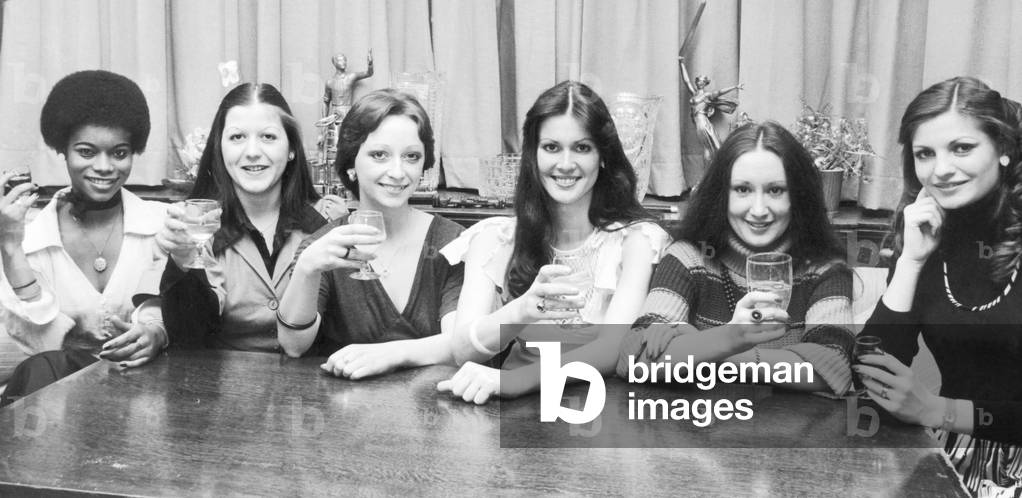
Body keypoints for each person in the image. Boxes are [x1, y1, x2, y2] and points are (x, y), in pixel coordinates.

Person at [436, 81, 670, 404]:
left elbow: (611, 348)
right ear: (532, 154)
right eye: (551, 147)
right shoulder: (496, 238)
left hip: (599, 415)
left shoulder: (635, 241)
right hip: (514, 421)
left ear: (603, 156)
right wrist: (521, 310)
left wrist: (515, 380)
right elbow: (462, 350)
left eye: (582, 148)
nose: (565, 164)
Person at [857, 76, 1022, 496]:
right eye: (924, 154)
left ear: (1003, 149)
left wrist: (936, 409)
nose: (941, 170)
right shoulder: (927, 235)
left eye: (962, 148)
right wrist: (911, 260)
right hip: (954, 458)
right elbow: (872, 383)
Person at [618, 121, 854, 395]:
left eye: (776, 190)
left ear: (798, 196)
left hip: (793, 435)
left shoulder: (825, 269)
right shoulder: (688, 258)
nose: (759, 209)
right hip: (697, 429)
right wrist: (732, 339)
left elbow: (831, 368)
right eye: (742, 189)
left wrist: (705, 349)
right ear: (722, 195)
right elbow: (635, 358)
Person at [0, 70, 168, 404]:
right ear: (63, 149)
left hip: (148, 397)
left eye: (119, 153)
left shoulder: (161, 225)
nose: (105, 167)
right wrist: (10, 249)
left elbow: (185, 310)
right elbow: (43, 349)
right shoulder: (30, 238)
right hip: (62, 399)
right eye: (87, 152)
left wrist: (157, 334)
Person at [276, 89, 464, 378]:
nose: (398, 172)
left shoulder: (453, 242)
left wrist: (391, 354)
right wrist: (307, 268)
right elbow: (294, 346)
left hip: (431, 414)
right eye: (380, 155)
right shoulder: (322, 246)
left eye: (411, 157)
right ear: (351, 163)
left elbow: (462, 344)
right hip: (345, 413)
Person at [158, 83, 326, 353]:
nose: (252, 152)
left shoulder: (324, 224)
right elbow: (188, 336)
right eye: (237, 138)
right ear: (219, 149)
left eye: (268, 137)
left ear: (292, 148)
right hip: (222, 387)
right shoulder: (196, 227)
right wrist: (182, 259)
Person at [680, 56, 742, 163]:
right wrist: (681, 63)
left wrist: (735, 87)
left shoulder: (707, 95)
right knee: (708, 147)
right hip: (698, 122)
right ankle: (709, 172)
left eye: (701, 81)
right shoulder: (694, 94)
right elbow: (686, 81)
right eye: (698, 80)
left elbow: (719, 92)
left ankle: (713, 170)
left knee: (712, 147)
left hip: (703, 122)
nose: (699, 82)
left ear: (704, 84)